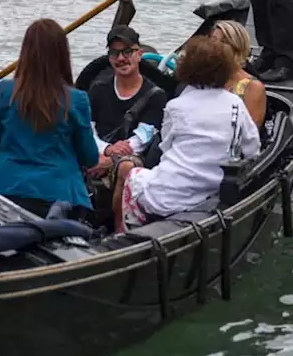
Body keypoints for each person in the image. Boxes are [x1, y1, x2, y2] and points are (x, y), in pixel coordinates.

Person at [114, 35, 260, 232]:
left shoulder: (176, 106)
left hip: (170, 195)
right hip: (213, 188)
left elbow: (165, 147)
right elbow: (252, 148)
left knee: (129, 173)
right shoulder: (236, 104)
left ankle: (119, 233)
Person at [0, 19, 101, 216]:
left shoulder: (5, 91)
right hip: (61, 194)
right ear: (62, 55)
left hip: (5, 188)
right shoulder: (77, 100)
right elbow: (90, 157)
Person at [86, 26, 167, 181]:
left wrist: (111, 160)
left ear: (139, 54)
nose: (121, 58)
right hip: (98, 150)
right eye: (114, 53)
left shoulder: (156, 96)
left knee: (126, 166)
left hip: (132, 157)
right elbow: (87, 129)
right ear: (109, 58)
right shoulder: (97, 89)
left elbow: (142, 139)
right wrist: (106, 150)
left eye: (127, 52)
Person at [210, 19, 267, 127]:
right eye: (213, 40)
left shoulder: (253, 87)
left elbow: (250, 134)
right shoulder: (204, 78)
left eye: (224, 42)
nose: (216, 46)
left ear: (237, 47)